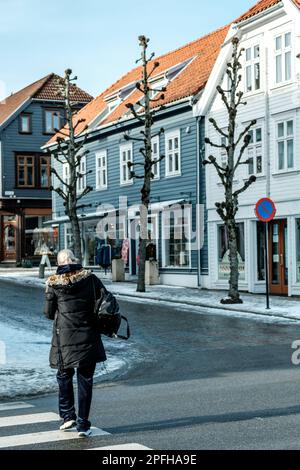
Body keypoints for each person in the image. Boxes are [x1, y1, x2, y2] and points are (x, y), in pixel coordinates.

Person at [44, 249, 106, 438]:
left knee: (64, 376)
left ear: (60, 263)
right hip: (88, 338)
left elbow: (48, 313)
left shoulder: (54, 284)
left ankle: (67, 415)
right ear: (74, 260)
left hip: (64, 340)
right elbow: (105, 302)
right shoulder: (91, 279)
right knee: (85, 381)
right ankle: (83, 425)